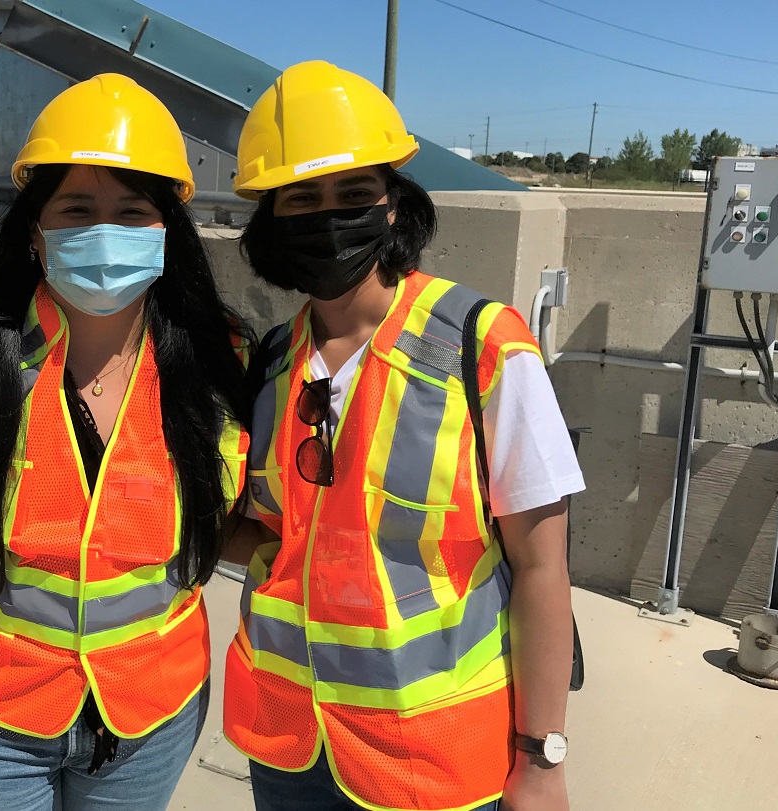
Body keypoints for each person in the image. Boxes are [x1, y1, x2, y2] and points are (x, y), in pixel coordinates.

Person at [223, 61, 583, 811]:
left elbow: (543, 566)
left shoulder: (481, 346)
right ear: (271, 221)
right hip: (292, 745)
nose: (331, 216)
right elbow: (276, 536)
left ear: (393, 207)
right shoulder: (274, 363)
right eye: (303, 198)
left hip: (433, 761)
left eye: (355, 193)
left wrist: (542, 759)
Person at [0, 74, 253, 811]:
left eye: (132, 213)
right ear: (36, 233)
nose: (105, 232)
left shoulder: (213, 365)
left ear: (165, 232)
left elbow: (236, 521)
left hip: (149, 713)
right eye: (77, 209)